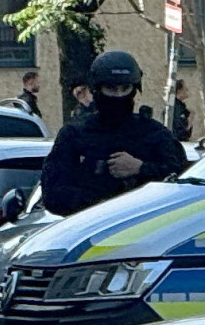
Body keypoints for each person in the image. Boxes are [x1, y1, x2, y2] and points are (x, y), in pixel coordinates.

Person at [41, 51, 188, 217]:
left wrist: (141, 168)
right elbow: (54, 194)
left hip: (147, 228)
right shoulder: (75, 135)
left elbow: (183, 183)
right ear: (97, 89)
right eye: (111, 89)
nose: (119, 96)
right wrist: (102, 204)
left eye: (125, 89)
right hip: (92, 228)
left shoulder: (154, 133)